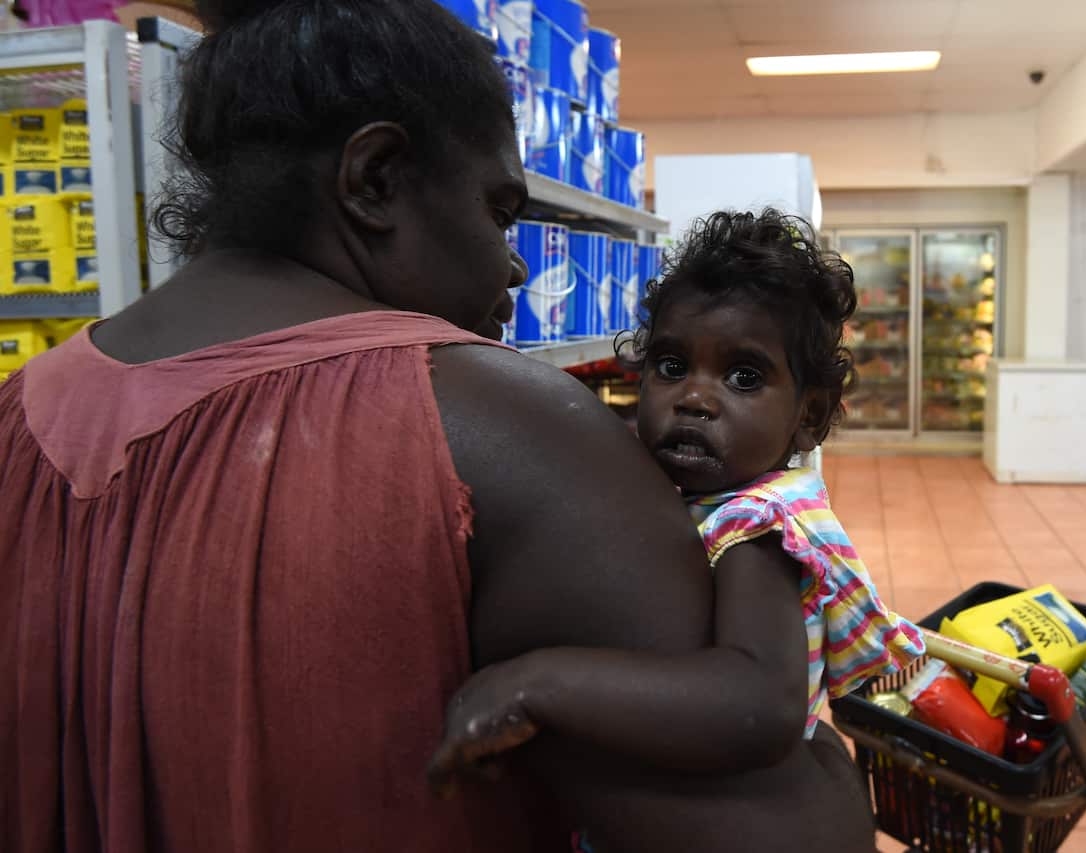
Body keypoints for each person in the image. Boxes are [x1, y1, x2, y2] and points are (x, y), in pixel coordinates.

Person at [0, 2, 875, 852]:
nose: (517, 260)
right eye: (498, 212)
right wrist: (838, 778)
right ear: (375, 179)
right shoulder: (513, 434)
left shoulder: (17, 414)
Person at [429, 211, 924, 838]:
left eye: (744, 377)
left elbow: (759, 701)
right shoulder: (692, 493)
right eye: (670, 365)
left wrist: (536, 683)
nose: (694, 396)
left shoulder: (758, 525)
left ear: (809, 415)